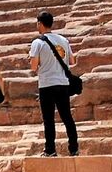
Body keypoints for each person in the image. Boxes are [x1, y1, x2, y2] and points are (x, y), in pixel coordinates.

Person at [27, 12, 78, 157]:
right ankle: (73, 148)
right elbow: (72, 61)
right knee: (67, 117)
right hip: (62, 83)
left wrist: (34, 61)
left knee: (48, 119)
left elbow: (33, 66)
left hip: (47, 84)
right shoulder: (63, 40)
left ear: (40, 24)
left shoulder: (38, 42)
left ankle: (50, 149)